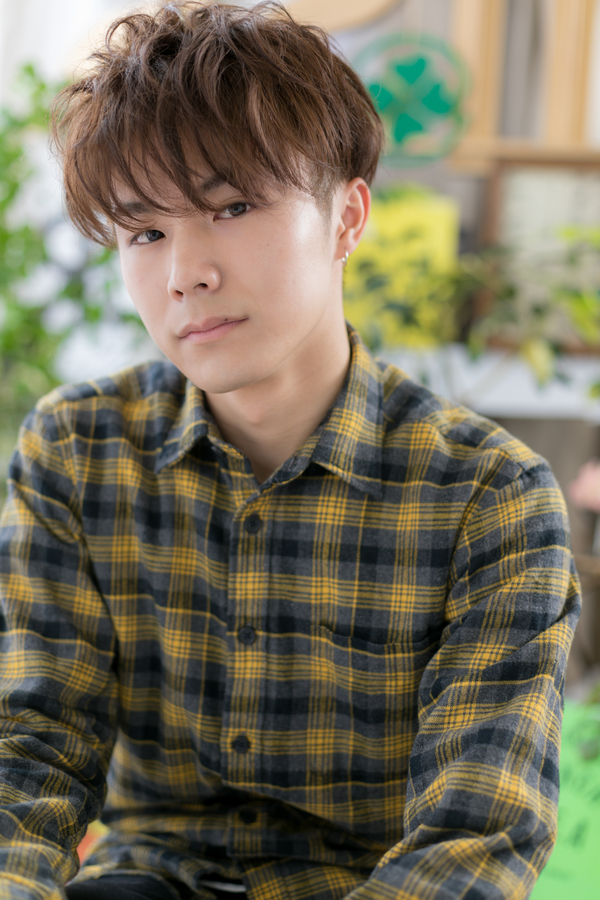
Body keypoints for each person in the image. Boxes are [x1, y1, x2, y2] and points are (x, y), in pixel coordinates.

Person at [0, 2, 580, 899]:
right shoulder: (76, 449)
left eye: (232, 206)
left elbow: (477, 830)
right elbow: (32, 749)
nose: (185, 273)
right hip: (148, 881)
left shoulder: (490, 495)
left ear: (346, 217)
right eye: (146, 232)